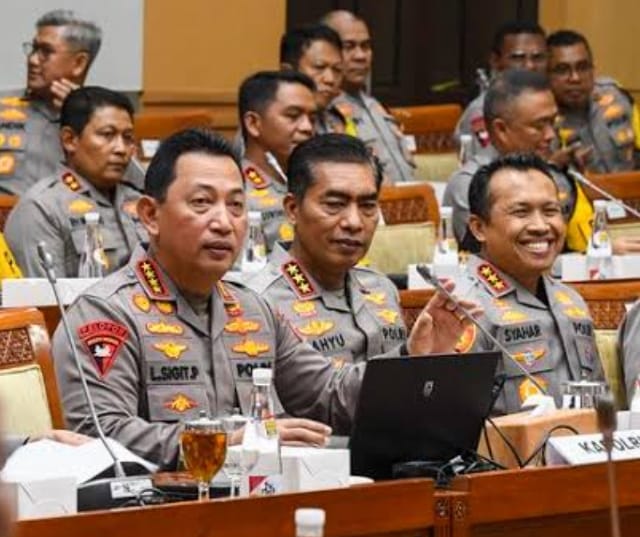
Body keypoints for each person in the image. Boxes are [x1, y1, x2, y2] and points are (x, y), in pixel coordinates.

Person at [52, 128, 478, 468]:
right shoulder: (106, 313)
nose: (223, 222)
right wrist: (230, 441)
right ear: (150, 215)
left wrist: (412, 359)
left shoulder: (252, 308)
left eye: (236, 206)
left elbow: (328, 396)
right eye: (202, 203)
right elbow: (102, 435)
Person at [454, 153, 603, 416]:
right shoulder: (463, 306)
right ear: (478, 228)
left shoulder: (571, 300)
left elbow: (600, 403)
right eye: (521, 212)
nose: (541, 226)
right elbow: (452, 426)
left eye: (551, 211)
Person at [247, 134, 404, 365]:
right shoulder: (260, 302)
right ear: (293, 209)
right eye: (334, 205)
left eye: (367, 206)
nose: (354, 222)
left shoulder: (382, 288)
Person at [443, 69, 594, 253]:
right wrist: (582, 259)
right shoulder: (470, 184)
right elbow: (497, 260)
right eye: (539, 125)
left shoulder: (553, 175)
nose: (550, 135)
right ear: (501, 129)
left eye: (552, 123)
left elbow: (573, 242)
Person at [5, 87, 146, 277]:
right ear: (69, 140)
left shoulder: (139, 201)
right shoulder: (42, 208)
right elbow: (47, 295)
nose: (121, 149)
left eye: (128, 138)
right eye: (107, 134)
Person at [0, 9, 143, 196]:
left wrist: (79, 112)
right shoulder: (3, 106)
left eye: (45, 52)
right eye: (34, 49)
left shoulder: (105, 117)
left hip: (77, 212)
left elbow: (140, 187)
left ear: (79, 63)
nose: (33, 60)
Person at [322, 10, 414, 183]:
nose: (361, 56)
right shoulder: (326, 112)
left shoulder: (376, 106)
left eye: (365, 46)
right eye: (349, 46)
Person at [239, 70, 317, 253]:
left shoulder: (311, 181)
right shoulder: (236, 191)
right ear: (253, 123)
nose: (307, 127)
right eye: (293, 116)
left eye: (312, 119)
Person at [547, 30, 640, 174]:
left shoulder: (615, 97)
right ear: (545, 74)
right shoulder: (541, 123)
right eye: (562, 70)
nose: (575, 78)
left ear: (593, 70)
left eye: (583, 67)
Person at [455, 20, 547, 156]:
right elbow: (487, 166)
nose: (530, 66)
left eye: (538, 58)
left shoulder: (547, 104)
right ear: (495, 61)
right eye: (518, 58)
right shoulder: (484, 111)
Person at [280, 24, 355, 136]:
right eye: (319, 67)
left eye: (337, 69)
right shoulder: (271, 121)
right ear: (287, 71)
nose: (330, 79)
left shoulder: (338, 121)